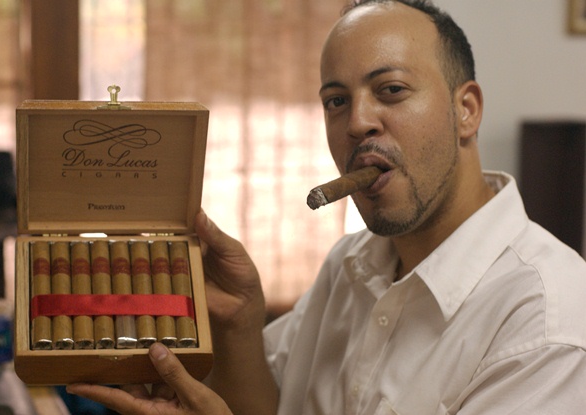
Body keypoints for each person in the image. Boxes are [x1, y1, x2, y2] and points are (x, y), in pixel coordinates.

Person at [67, 0, 586, 413]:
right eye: (336, 100)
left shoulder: (547, 327)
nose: (357, 122)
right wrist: (242, 322)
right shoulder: (351, 263)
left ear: (465, 110)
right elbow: (270, 406)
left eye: (391, 89)